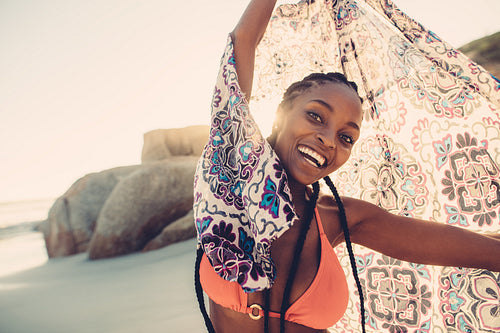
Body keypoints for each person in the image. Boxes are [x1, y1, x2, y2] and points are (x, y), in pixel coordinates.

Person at [193, 1, 500, 332]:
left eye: (346, 137)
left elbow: (469, 248)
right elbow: (242, 43)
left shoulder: (337, 218)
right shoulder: (230, 172)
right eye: (315, 116)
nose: (328, 140)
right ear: (281, 116)